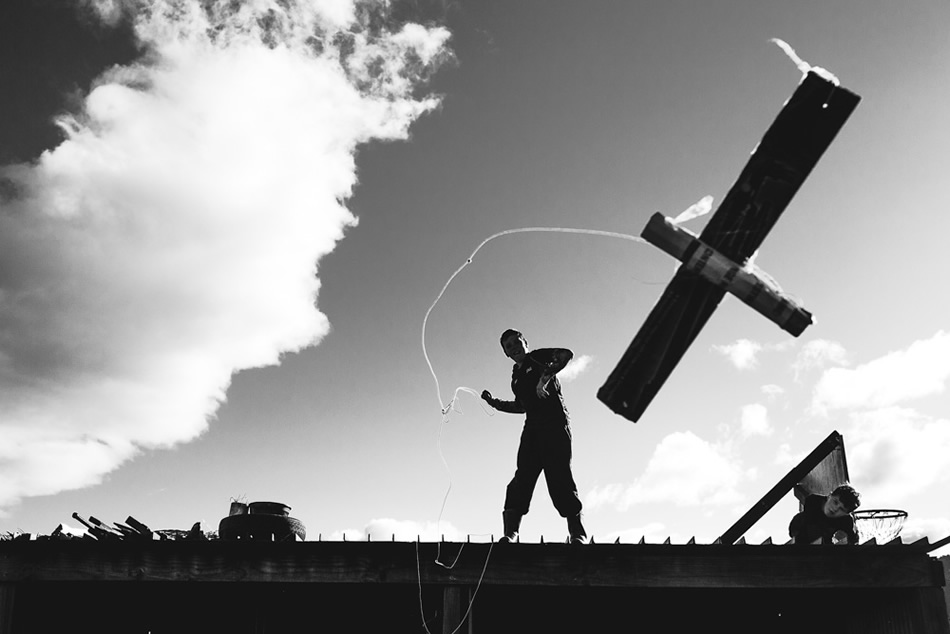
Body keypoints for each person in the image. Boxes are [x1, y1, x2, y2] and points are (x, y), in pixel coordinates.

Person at [481, 329, 587, 544]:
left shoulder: (538, 358)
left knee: (559, 477)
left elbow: (565, 354)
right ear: (506, 353)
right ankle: (511, 533)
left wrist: (544, 380)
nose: (514, 347)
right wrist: (494, 404)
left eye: (516, 342)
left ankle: (577, 532)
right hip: (532, 429)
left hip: (555, 425)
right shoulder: (516, 378)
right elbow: (521, 407)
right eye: (508, 346)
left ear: (525, 342)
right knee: (522, 478)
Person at [788, 484, 861, 546]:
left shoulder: (847, 522)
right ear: (829, 496)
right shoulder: (813, 501)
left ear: (846, 514)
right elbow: (809, 529)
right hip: (805, 534)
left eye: (841, 509)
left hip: (828, 547)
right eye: (835, 502)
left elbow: (854, 542)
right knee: (802, 519)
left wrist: (845, 541)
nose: (835, 509)